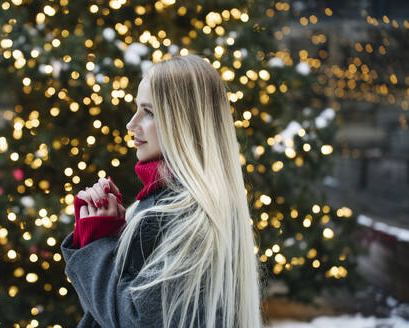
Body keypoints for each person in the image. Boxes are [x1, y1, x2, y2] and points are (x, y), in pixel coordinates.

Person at [60, 54, 263, 328]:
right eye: (136, 109)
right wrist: (107, 235)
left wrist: (98, 245)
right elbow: (109, 312)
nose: (132, 124)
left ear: (183, 122)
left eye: (149, 112)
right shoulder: (165, 203)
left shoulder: (189, 215)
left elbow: (138, 322)